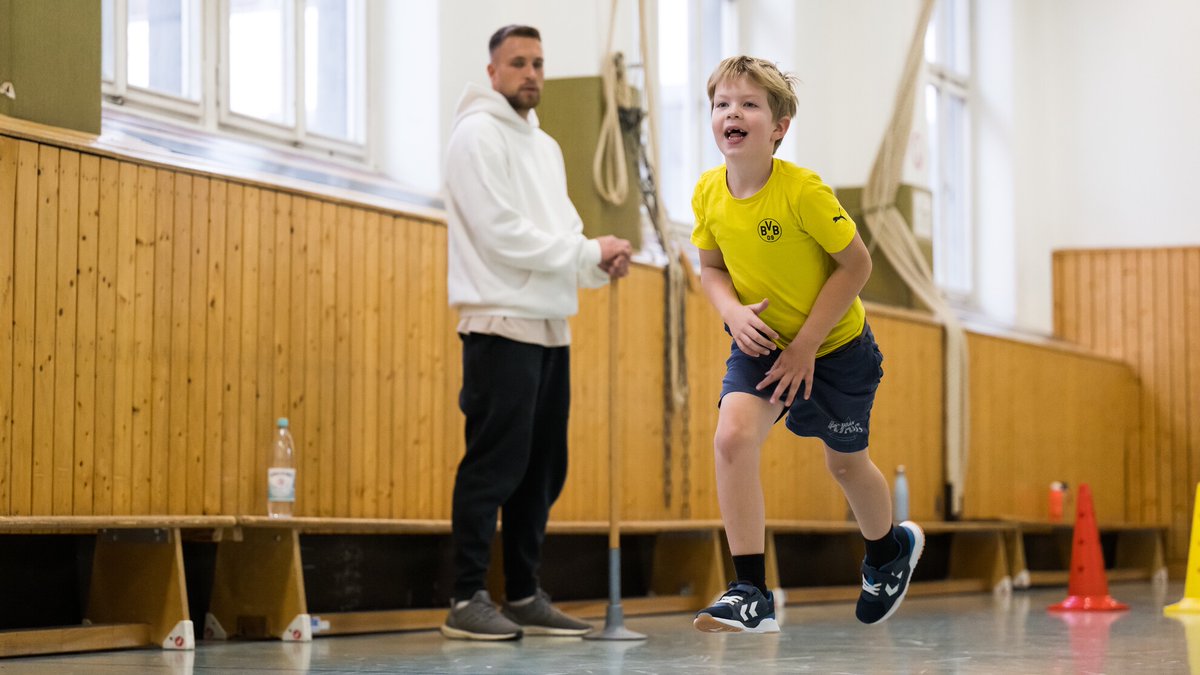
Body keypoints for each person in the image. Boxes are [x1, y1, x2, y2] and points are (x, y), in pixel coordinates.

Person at [689, 55, 924, 633]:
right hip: (762, 344)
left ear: (779, 127)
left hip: (836, 349)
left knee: (845, 466)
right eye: (722, 104)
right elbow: (710, 267)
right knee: (732, 436)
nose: (732, 114)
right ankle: (751, 592)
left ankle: (887, 551)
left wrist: (808, 345)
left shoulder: (802, 191)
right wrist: (731, 311)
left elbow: (856, 264)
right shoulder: (707, 194)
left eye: (749, 104)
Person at [440, 24, 633, 641]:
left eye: (539, 64)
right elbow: (500, 233)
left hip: (551, 327)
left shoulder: (543, 146)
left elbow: (566, 231)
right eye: (518, 63)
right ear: (492, 72)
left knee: (543, 468)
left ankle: (522, 593)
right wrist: (583, 253)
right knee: (494, 466)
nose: (531, 74)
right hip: (500, 323)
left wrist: (597, 263)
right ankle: (466, 596)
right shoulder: (475, 136)